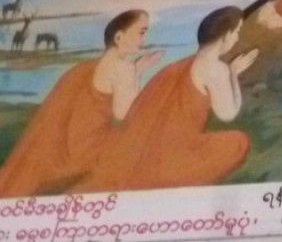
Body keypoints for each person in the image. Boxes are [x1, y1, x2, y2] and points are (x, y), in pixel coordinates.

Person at [72, 6, 257, 192]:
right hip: (177, 154)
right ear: (226, 35)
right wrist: (233, 73)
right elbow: (228, 114)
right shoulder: (216, 68)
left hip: (150, 150)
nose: (237, 38)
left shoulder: (177, 66)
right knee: (239, 142)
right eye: (237, 32)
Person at [0, 10, 162, 197]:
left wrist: (136, 70)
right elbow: (124, 118)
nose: (144, 40)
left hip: (77, 146)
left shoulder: (92, 65)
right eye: (141, 32)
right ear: (119, 37)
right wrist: (136, 78)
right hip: (94, 152)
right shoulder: (123, 68)